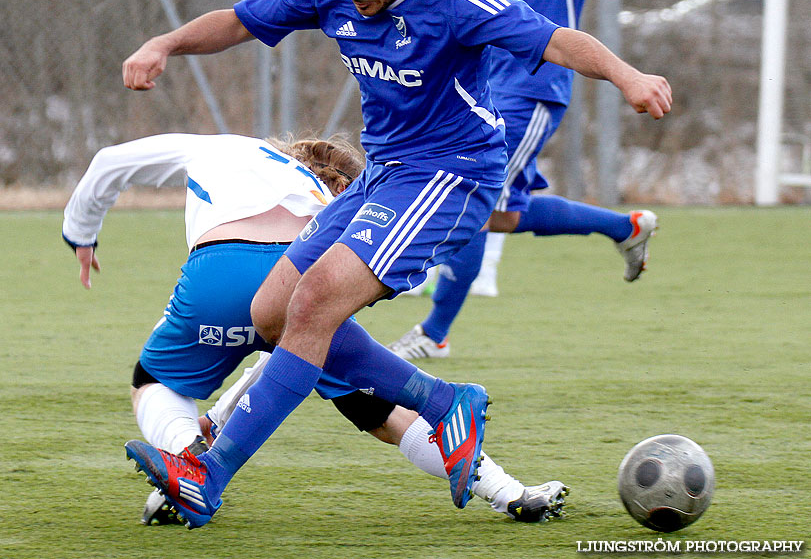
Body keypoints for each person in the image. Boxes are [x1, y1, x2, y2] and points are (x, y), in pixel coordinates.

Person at [121, 0, 671, 529]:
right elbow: (241, 19)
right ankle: (444, 401)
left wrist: (629, 76)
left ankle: (205, 477)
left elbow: (556, 39)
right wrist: (165, 43)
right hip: (383, 175)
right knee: (271, 311)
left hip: (452, 174)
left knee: (315, 302)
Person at [62, 132, 566, 526]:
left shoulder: (227, 148)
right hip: (309, 274)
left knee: (154, 382)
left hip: (222, 271)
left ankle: (186, 462)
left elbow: (110, 161)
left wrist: (80, 233)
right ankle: (508, 491)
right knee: (381, 411)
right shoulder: (335, 207)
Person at [388, 0, 673, 360]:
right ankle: (625, 228)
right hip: (487, 83)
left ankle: (434, 334)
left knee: (473, 197)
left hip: (536, 84)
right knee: (501, 214)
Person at [404, 0, 509, 299]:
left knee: (499, 171)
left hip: (506, 68)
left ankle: (484, 269)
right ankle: (420, 265)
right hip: (445, 74)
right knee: (428, 160)